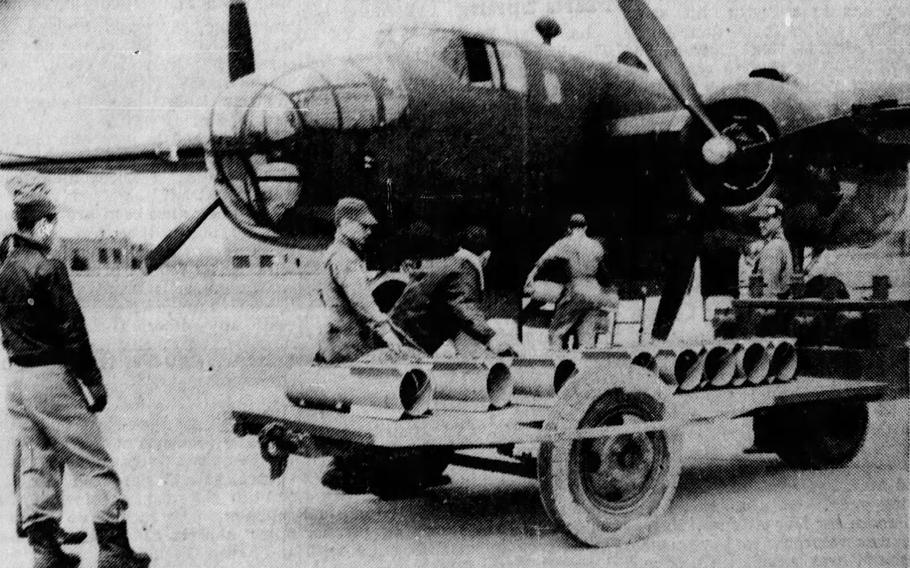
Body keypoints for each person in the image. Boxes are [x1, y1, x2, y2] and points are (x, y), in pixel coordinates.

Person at [0, 174, 150, 568]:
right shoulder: (49, 268)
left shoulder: (3, 268)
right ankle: (115, 551)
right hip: (52, 378)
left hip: (16, 379)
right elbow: (73, 331)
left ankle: (45, 552)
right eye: (52, 222)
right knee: (93, 462)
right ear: (43, 224)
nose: (55, 230)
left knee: (37, 461)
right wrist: (93, 381)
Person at [1, 233, 87, 547]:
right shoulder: (25, 265)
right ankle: (38, 524)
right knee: (37, 449)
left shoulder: (10, 263)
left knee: (35, 448)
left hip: (22, 366)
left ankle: (39, 523)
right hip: (34, 368)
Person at [390, 226, 518, 357]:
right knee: (451, 357)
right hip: (415, 332)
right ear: (486, 255)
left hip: (404, 325)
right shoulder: (465, 269)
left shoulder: (452, 263)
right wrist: (492, 338)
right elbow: (464, 307)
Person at [314, 197, 403, 364]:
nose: (369, 232)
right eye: (364, 226)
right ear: (346, 223)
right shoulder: (345, 257)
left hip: (333, 342)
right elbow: (360, 299)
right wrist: (386, 332)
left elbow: (322, 293)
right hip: (350, 345)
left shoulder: (332, 252)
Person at [525, 214, 618, 349]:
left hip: (576, 289)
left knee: (556, 332)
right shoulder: (596, 245)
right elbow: (603, 271)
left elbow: (545, 259)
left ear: (569, 228)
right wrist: (611, 291)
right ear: (585, 227)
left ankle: (558, 361)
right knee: (586, 342)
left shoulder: (565, 243)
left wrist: (531, 274)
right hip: (594, 291)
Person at [750, 198, 793, 298]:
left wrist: (760, 312)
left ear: (778, 219)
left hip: (770, 310)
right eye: (759, 220)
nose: (761, 224)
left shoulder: (774, 247)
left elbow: (769, 290)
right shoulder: (780, 243)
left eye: (765, 219)